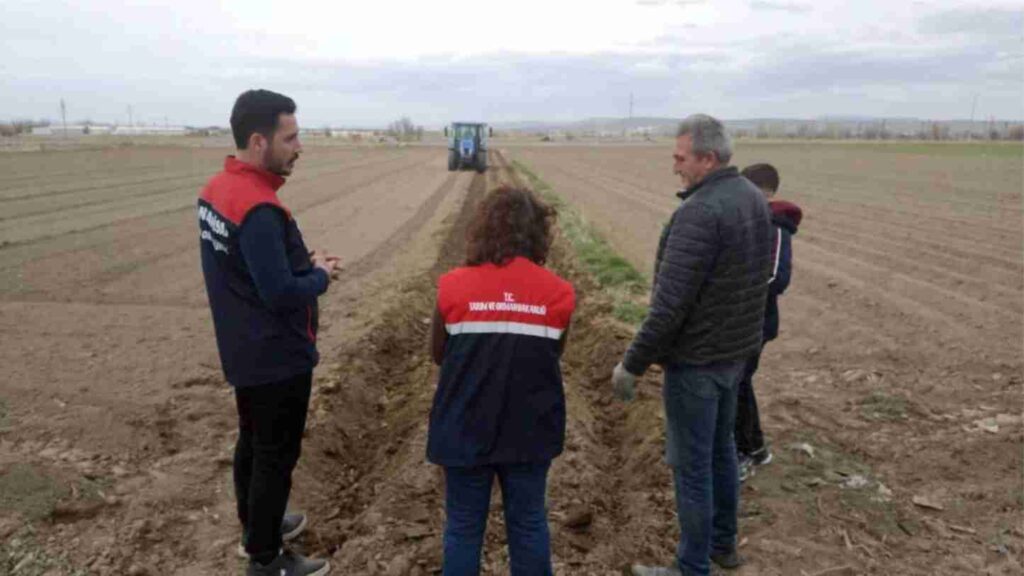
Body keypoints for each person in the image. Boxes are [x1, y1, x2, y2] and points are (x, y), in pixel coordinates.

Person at [610, 114, 773, 576]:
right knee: (722, 450)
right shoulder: (751, 198)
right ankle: (723, 547)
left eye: (681, 158)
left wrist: (631, 364)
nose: (675, 166)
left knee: (692, 468)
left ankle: (691, 567)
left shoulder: (700, 212)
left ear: (707, 157)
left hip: (698, 364)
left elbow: (668, 308)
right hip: (733, 356)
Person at [198, 89, 338, 576]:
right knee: (276, 454)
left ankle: (256, 525)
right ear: (259, 142)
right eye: (291, 137)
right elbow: (279, 292)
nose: (299, 147)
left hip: (242, 346)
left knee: (253, 441)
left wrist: (300, 264)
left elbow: (249, 272)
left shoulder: (217, 190)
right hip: (276, 355)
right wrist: (320, 274)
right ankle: (265, 558)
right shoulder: (258, 208)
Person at [427, 186, 575, 576]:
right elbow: (553, 353)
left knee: (463, 525)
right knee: (528, 522)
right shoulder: (559, 293)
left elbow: (439, 354)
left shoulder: (452, 286)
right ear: (538, 233)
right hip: (530, 427)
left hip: (463, 425)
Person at [735, 163, 803, 482]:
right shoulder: (749, 221)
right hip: (737, 320)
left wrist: (729, 291)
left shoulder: (776, 227)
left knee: (737, 382)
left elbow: (777, 277)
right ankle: (754, 448)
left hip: (756, 322)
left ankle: (747, 451)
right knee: (738, 382)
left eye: (750, 191)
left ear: (768, 193)